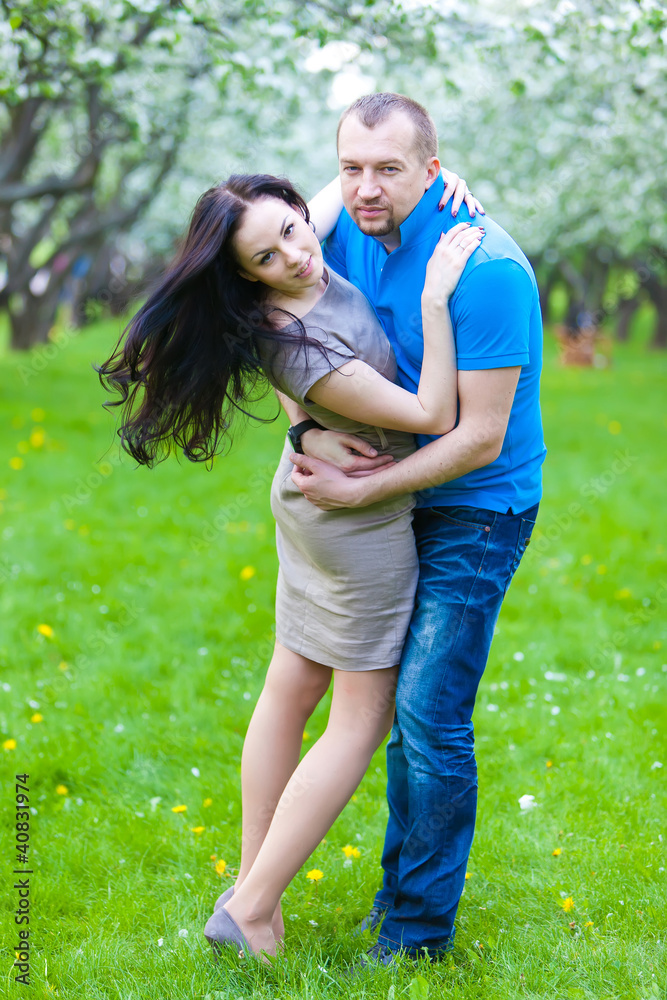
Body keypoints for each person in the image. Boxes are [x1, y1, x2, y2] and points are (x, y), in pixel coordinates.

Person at [95, 170, 485, 961]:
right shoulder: (295, 338)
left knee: (292, 682)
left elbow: (348, 183)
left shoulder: (301, 237)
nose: (297, 255)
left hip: (312, 497)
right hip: (354, 522)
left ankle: (249, 893)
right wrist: (437, 301)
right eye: (267, 258)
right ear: (244, 279)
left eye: (293, 231)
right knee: (360, 718)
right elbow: (433, 415)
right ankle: (252, 905)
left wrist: (438, 175)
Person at [285, 92, 547, 966]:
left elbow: (478, 436)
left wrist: (365, 492)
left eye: (389, 169)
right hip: (397, 494)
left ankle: (414, 934)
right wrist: (305, 428)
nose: (365, 188)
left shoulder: (488, 270)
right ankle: (397, 901)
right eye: (351, 167)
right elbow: (270, 303)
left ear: (432, 171)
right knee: (390, 702)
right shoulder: (337, 232)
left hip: (478, 506)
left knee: (430, 712)